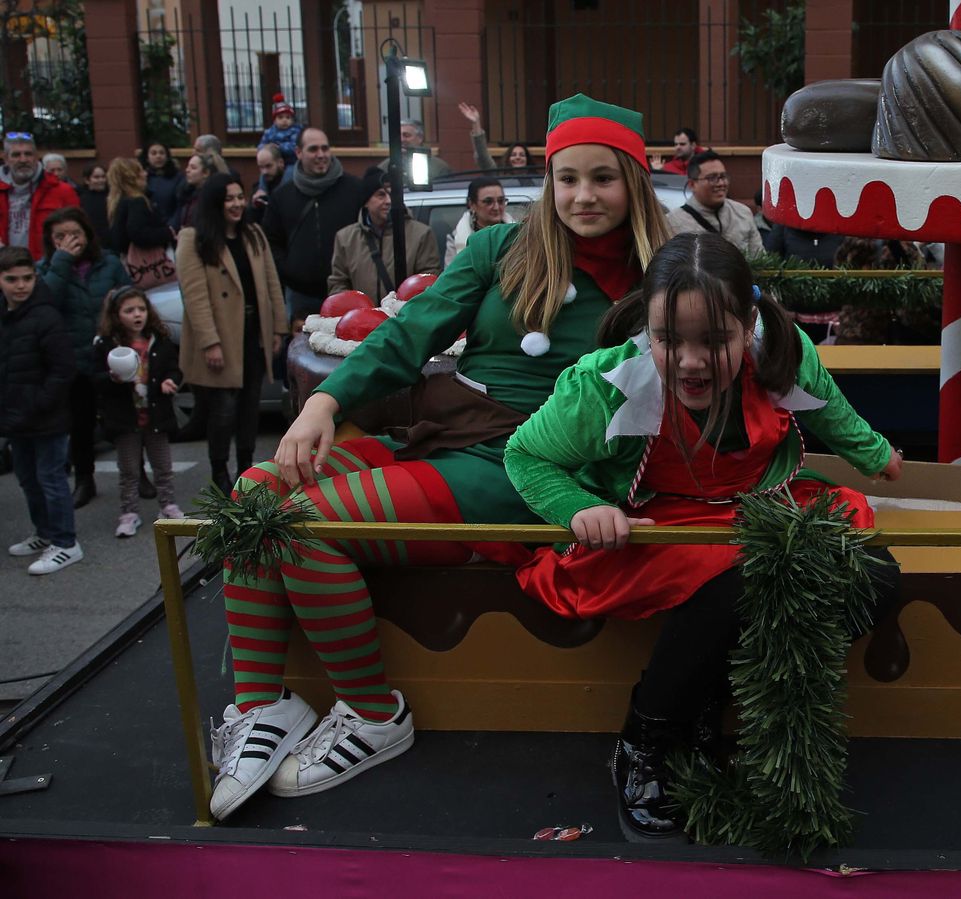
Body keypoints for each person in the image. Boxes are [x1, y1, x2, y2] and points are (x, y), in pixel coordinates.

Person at [203, 94, 671, 822]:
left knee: (302, 522)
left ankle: (372, 713)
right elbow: (408, 333)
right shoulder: (495, 248)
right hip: (455, 435)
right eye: (567, 177)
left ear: (635, 183)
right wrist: (324, 404)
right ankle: (263, 706)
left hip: (540, 473)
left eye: (604, 178)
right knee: (258, 495)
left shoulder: (666, 275)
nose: (582, 196)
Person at [503, 231, 903, 840]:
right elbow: (525, 455)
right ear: (648, 326)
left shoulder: (784, 354)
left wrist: (877, 456)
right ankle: (645, 738)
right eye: (670, 341)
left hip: (761, 508)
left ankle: (708, 698)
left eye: (714, 342)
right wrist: (579, 507)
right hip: (661, 524)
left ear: (748, 326)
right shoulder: (604, 385)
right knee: (733, 578)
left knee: (876, 578)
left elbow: (829, 409)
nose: (691, 362)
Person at [176, 172, 288, 490]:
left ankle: (245, 469)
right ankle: (219, 471)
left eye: (240, 196)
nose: (237, 204)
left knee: (250, 408)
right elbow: (195, 297)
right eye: (229, 198)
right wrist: (210, 342)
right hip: (221, 337)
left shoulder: (253, 233)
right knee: (222, 411)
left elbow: (271, 284)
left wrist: (278, 328)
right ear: (214, 202)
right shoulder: (193, 238)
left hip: (253, 334)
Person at [39, 206, 133, 508]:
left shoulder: (107, 262)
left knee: (126, 419)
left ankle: (138, 473)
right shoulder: (46, 268)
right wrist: (62, 261)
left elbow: (128, 298)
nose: (70, 240)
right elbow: (45, 303)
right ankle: (84, 478)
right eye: (61, 236)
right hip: (72, 358)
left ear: (87, 234)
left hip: (109, 355)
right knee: (79, 423)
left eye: (75, 234)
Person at [0, 245, 81, 575]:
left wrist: (37, 405)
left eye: (27, 278)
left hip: (46, 417)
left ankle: (65, 543)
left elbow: (63, 370)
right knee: (28, 480)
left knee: (51, 479)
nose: (20, 285)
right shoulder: (5, 315)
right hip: (15, 417)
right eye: (11, 279)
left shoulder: (46, 315)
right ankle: (44, 533)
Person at [92, 285, 184, 536]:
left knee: (163, 465)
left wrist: (170, 381)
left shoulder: (160, 340)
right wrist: (113, 378)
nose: (137, 315)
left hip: (156, 415)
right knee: (130, 469)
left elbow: (174, 369)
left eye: (141, 309)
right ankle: (129, 512)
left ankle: (167, 505)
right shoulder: (106, 344)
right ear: (116, 315)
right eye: (129, 310)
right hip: (125, 417)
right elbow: (96, 379)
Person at [260, 127, 366, 327]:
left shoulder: (354, 190)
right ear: (298, 153)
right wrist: (290, 271)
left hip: (347, 294)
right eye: (313, 149)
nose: (321, 155)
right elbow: (271, 243)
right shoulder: (282, 196)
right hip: (301, 296)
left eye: (325, 148)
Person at [328, 165, 442, 300]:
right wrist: (354, 309)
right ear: (366, 202)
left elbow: (429, 282)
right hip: (362, 319)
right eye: (381, 195)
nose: (389, 201)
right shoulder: (345, 238)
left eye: (393, 194)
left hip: (405, 318)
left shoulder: (421, 234)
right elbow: (338, 284)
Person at [666, 150, 762, 257]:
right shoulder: (673, 222)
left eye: (723, 176)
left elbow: (761, 260)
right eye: (712, 178)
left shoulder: (743, 213)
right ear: (692, 184)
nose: (721, 183)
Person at [0, 133, 80, 261]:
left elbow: (78, 233)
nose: (23, 160)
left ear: (36, 156)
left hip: (48, 268)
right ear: (5, 158)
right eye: (16, 155)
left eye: (28, 154)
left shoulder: (62, 191)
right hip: (5, 270)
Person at [107, 157, 178, 288]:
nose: (145, 174)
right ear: (131, 177)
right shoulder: (137, 201)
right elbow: (138, 233)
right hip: (150, 265)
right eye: (140, 171)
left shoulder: (116, 202)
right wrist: (167, 233)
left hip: (129, 263)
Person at [444, 176, 516, 266]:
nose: (496, 207)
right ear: (472, 204)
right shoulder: (456, 239)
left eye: (501, 201)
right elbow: (451, 277)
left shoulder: (518, 233)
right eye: (488, 201)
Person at [456, 102, 535, 174]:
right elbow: (482, 157)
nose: (518, 157)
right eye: (513, 155)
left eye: (522, 155)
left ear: (527, 160)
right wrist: (476, 123)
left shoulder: (537, 182)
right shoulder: (498, 176)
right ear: (508, 159)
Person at [171, 151, 225, 231]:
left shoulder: (212, 198)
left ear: (206, 173)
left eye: (193, 168)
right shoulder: (188, 194)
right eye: (187, 167)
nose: (187, 170)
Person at [141, 142, 183, 224]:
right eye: (154, 153)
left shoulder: (177, 177)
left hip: (169, 224)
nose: (158, 156)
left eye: (162, 153)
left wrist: (172, 225)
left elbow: (180, 205)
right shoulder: (141, 177)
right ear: (147, 158)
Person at [257, 93, 302, 168]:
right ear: (274, 120)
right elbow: (260, 146)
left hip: (290, 163)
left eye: (288, 117)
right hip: (272, 164)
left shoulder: (295, 131)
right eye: (280, 117)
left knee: (288, 176)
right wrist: (267, 147)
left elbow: (294, 147)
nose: (284, 120)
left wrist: (279, 147)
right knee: (264, 176)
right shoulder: (269, 132)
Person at [250, 144, 289, 224]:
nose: (264, 172)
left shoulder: (291, 187)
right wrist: (254, 207)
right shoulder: (258, 189)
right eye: (261, 167)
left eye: (268, 166)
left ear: (280, 163)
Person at [78, 162, 111, 237]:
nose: (101, 180)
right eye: (96, 177)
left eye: (103, 177)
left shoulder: (112, 197)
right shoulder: (82, 198)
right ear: (87, 180)